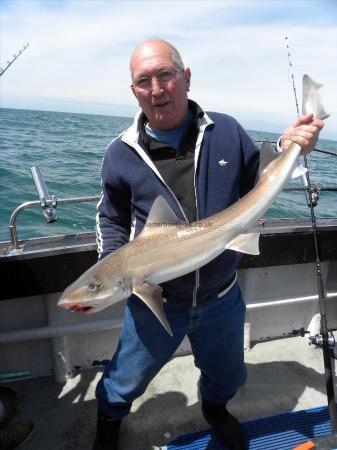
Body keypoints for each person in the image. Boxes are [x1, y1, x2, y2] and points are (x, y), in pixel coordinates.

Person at [93, 39, 324, 450]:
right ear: (134, 91)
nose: (157, 89)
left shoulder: (227, 131)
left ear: (185, 77)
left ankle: (215, 409)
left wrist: (291, 149)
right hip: (157, 296)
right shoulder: (121, 154)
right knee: (124, 378)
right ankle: (109, 421)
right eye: (144, 81)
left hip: (221, 294)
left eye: (165, 75)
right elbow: (112, 217)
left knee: (228, 374)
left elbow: (260, 182)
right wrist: (113, 266)